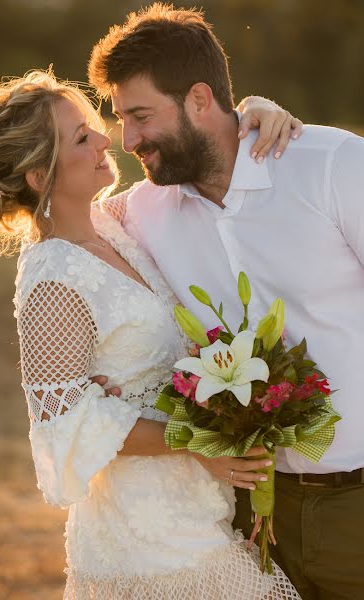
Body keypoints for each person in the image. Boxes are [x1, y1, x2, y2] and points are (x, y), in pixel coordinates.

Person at [0, 70, 302, 598]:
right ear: (37, 176)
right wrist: (196, 444)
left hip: (194, 509)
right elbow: (63, 423)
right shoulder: (54, 278)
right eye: (81, 138)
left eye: (93, 125)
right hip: (141, 534)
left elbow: (199, 160)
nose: (105, 140)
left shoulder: (112, 223)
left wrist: (252, 112)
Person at [89, 4, 364, 600]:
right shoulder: (141, 211)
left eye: (140, 116)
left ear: (198, 99)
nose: (129, 139)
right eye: (121, 119)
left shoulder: (331, 166)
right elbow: (62, 224)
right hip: (244, 521)